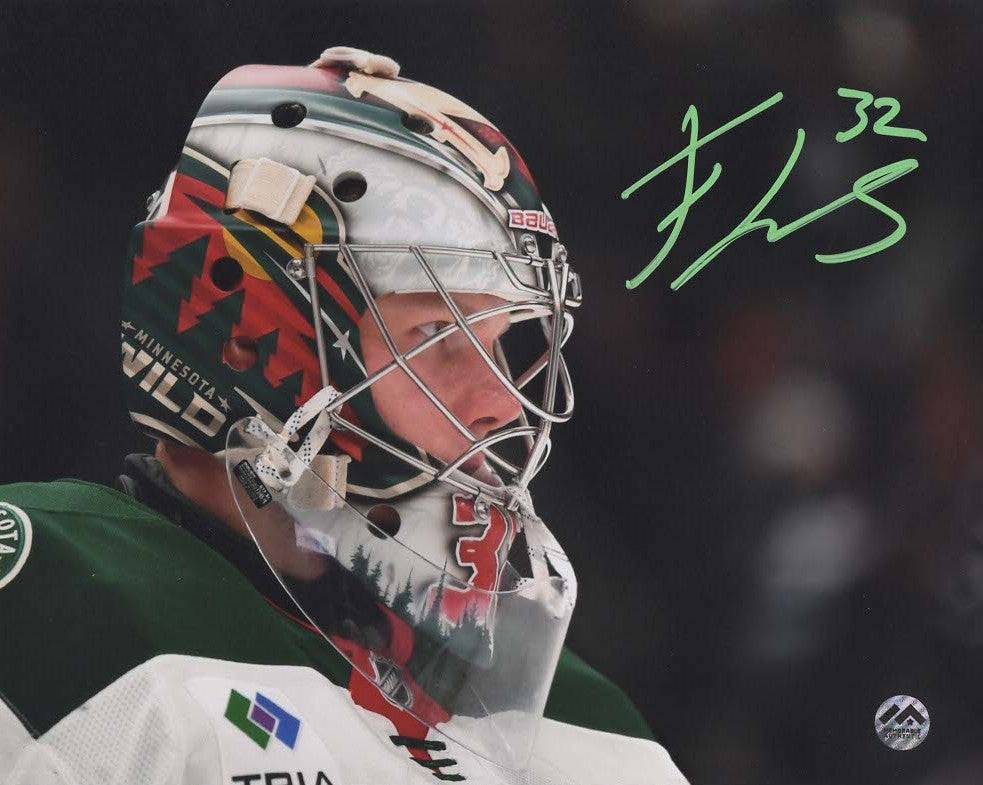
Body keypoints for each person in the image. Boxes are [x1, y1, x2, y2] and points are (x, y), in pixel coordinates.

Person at [0, 46, 688, 784]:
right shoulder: (59, 608)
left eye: (498, 342)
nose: (497, 404)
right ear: (242, 337)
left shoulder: (587, 722)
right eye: (437, 335)